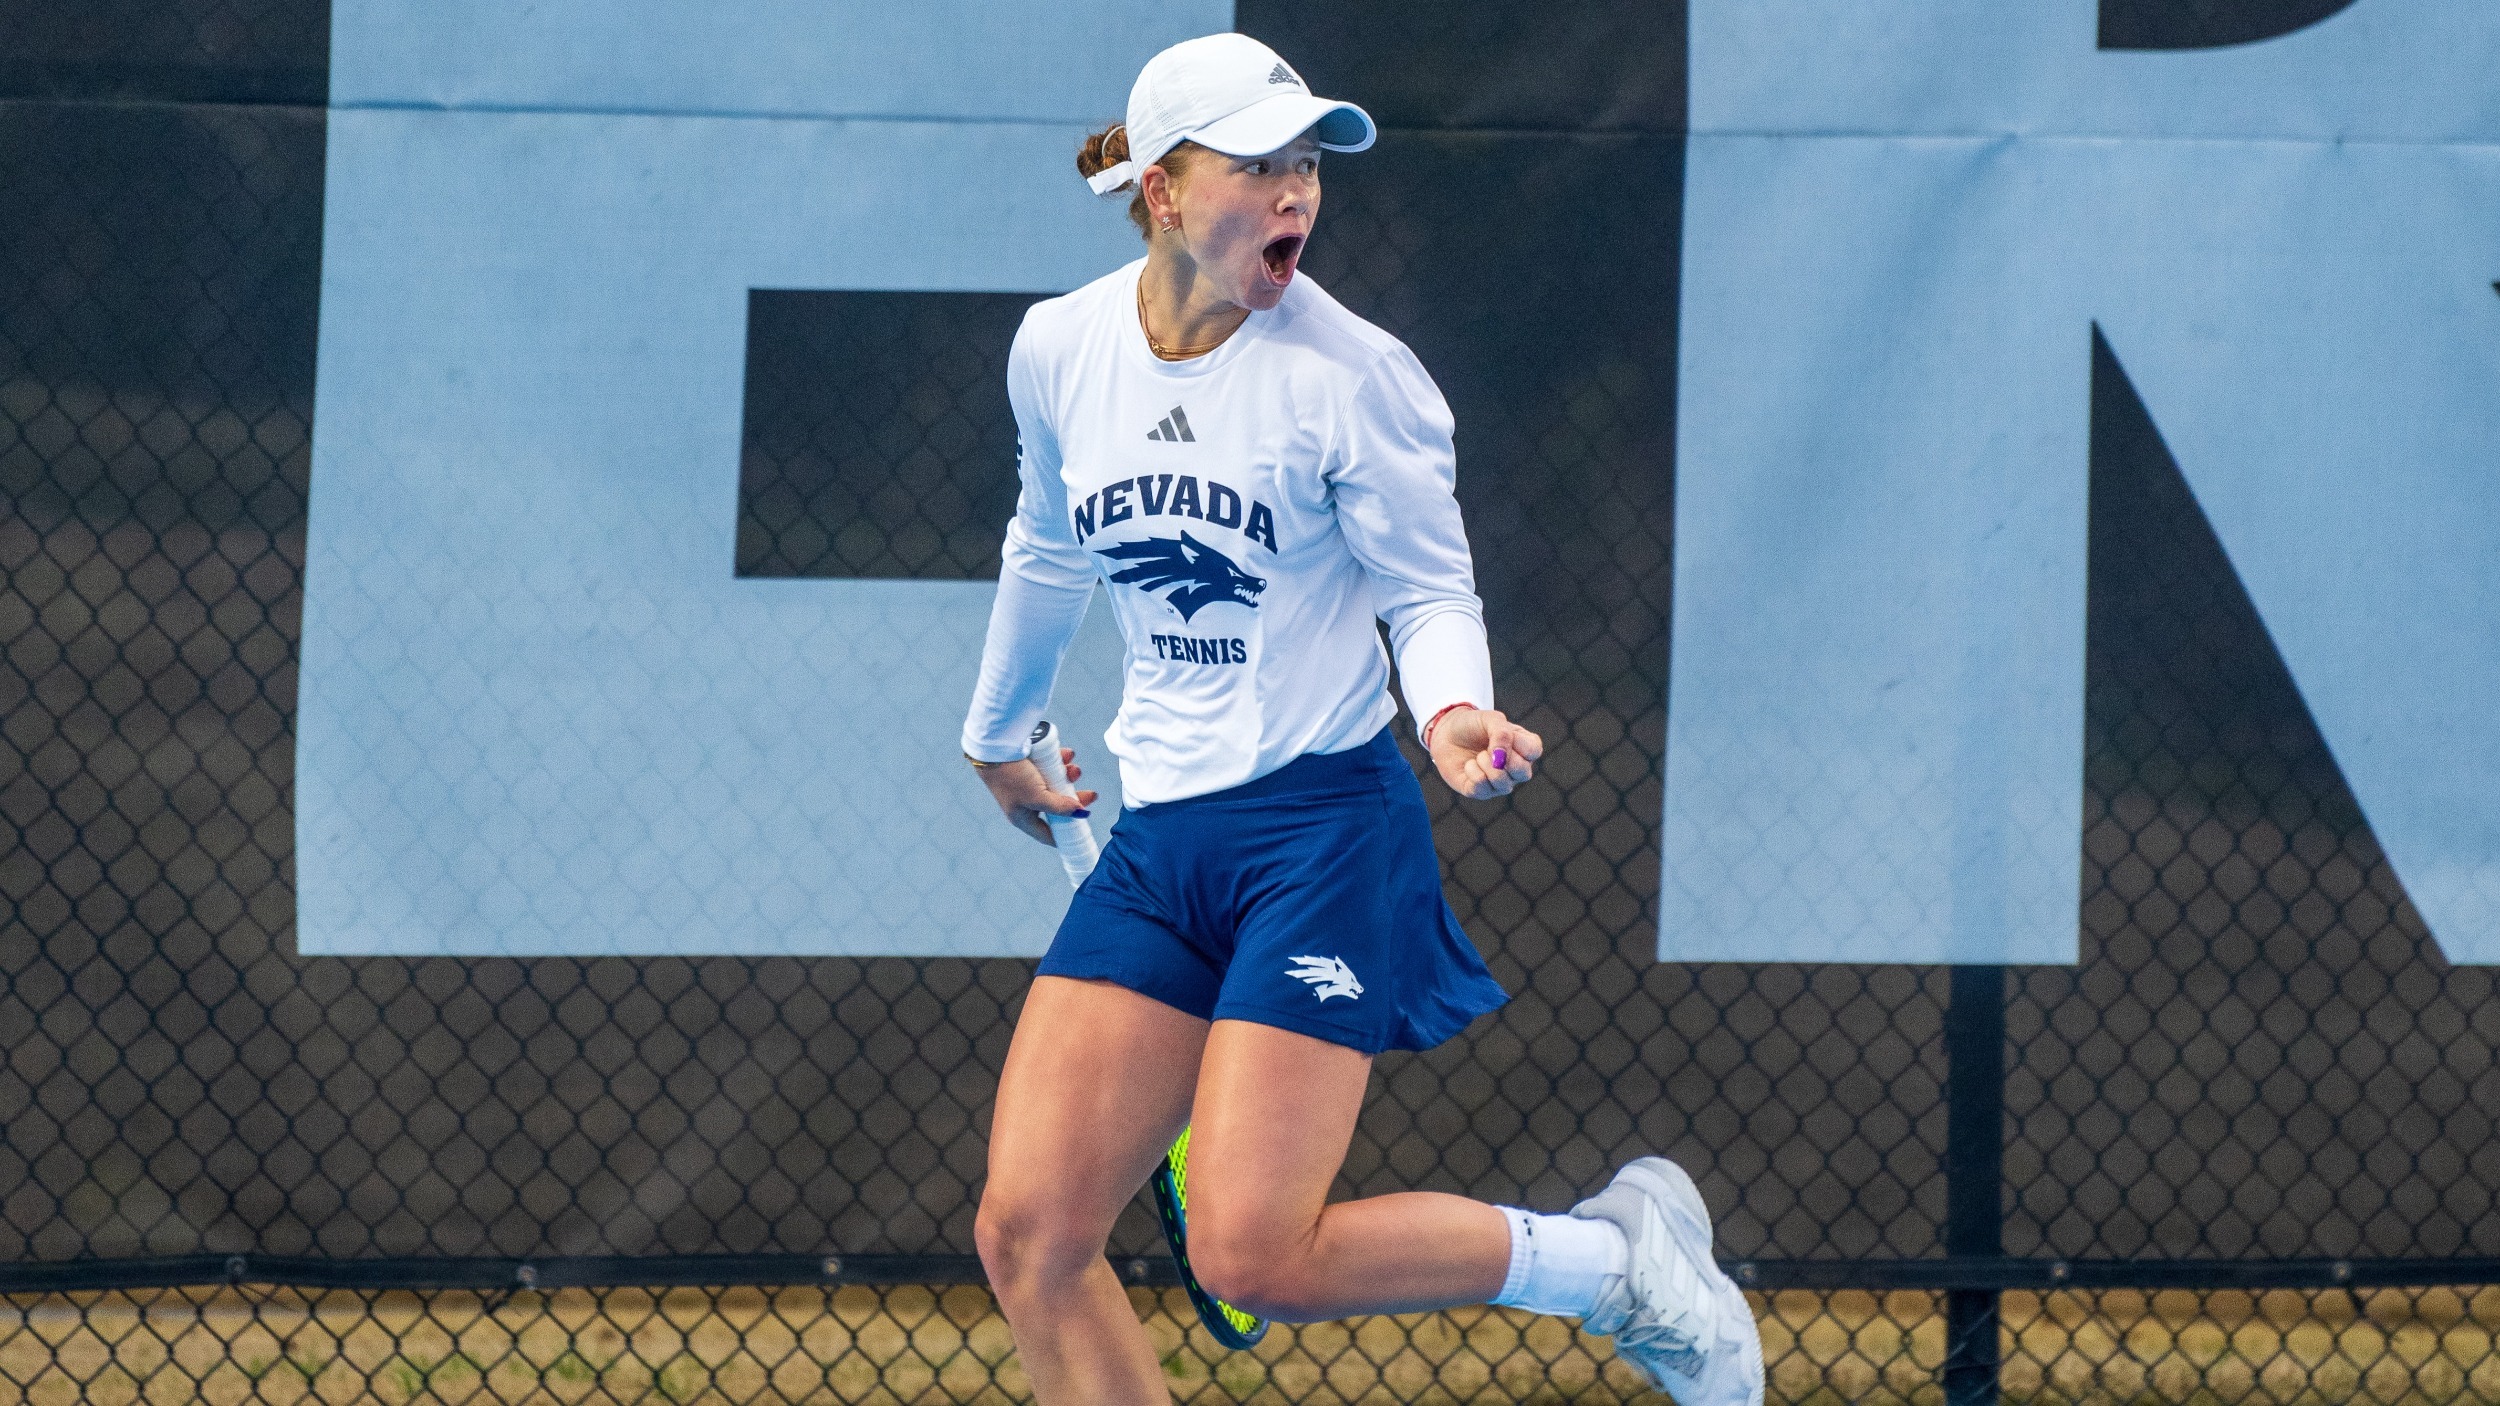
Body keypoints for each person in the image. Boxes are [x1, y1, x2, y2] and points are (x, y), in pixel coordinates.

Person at [958, 32, 1765, 1406]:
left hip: (1320, 837)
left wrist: (1453, 710)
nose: (1296, 193)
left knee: (1254, 1252)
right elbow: (1047, 543)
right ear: (1161, 190)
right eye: (1257, 164)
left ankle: (1611, 1260)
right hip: (1159, 844)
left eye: (1306, 164)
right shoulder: (1061, 349)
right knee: (1029, 1233)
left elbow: (1426, 583)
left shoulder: (1355, 375)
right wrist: (1000, 730)